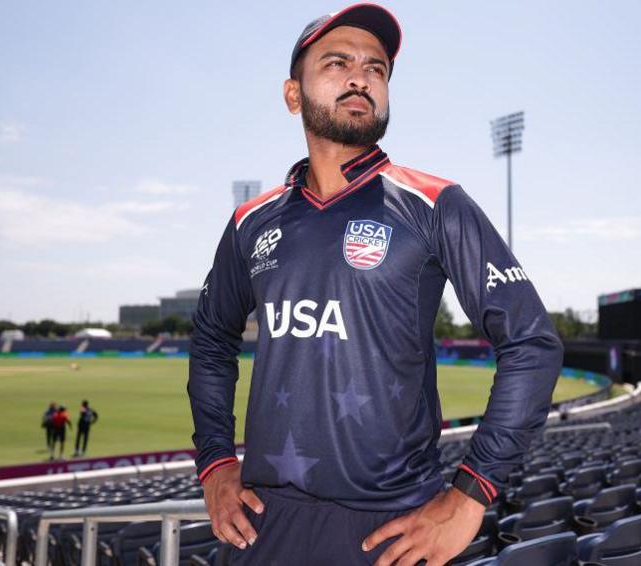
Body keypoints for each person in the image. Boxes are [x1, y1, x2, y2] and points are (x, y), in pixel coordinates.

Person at [187, 4, 562, 565]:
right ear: (293, 94)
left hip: (390, 531)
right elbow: (212, 340)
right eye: (337, 62)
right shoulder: (251, 222)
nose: (361, 76)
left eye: (377, 68)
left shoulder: (434, 203)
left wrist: (470, 494)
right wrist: (216, 463)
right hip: (262, 527)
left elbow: (532, 342)